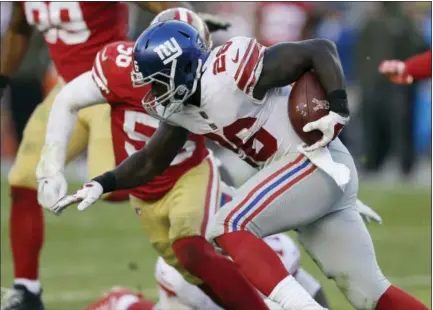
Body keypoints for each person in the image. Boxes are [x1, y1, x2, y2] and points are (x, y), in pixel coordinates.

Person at [51, 21, 428, 310]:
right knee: (371, 293)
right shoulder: (186, 110)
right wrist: (103, 182)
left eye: (154, 81)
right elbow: (151, 159)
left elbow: (318, 49)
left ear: (180, 70)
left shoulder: (230, 71)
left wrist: (338, 108)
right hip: (307, 180)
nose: (149, 92)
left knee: (228, 224)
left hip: (314, 161)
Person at [36, 8, 271, 310]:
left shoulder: (212, 79)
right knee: (191, 272)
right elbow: (69, 98)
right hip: (142, 188)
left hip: (189, 173)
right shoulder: (119, 67)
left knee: (191, 248)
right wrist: (51, 166)